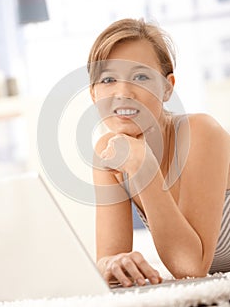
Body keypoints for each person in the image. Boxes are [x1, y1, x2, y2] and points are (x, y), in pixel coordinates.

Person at [87, 18, 230, 288]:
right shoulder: (109, 153)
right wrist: (111, 264)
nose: (123, 93)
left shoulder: (200, 132)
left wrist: (144, 170)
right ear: (94, 94)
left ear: (167, 87)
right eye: (108, 79)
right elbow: (109, 256)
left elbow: (191, 267)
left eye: (141, 77)